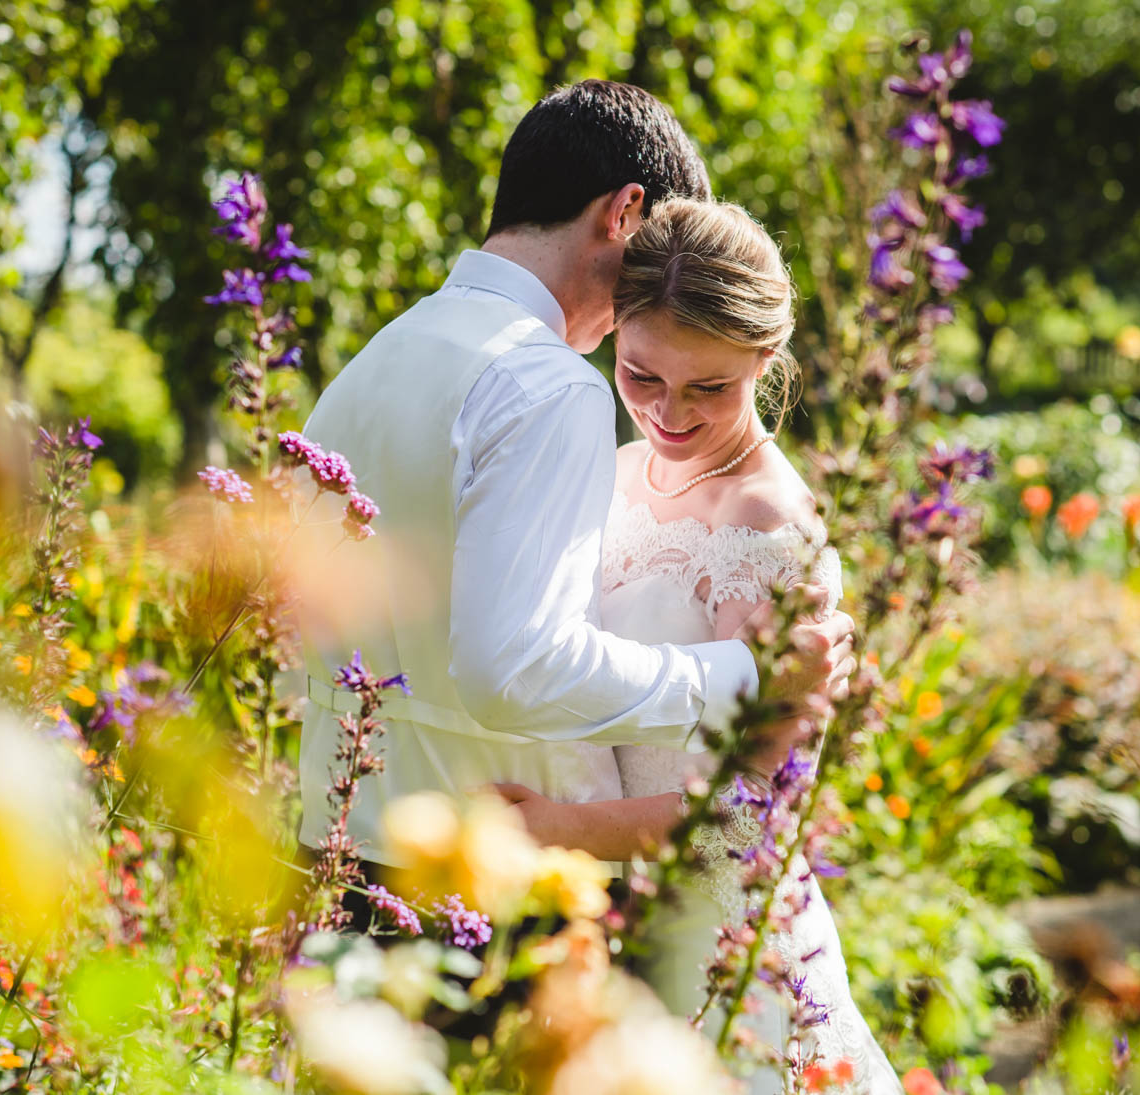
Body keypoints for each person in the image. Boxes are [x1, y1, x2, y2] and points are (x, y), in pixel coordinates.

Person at [294, 80, 855, 873]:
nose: (651, 286)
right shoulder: (546, 383)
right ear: (623, 213)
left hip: (333, 841)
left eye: (706, 385)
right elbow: (512, 665)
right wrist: (746, 676)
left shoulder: (376, 357)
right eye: (654, 247)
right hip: (479, 882)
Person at [492, 198, 902, 1093]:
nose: (668, 415)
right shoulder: (614, 467)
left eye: (709, 387)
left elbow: (747, 808)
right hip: (611, 907)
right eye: (641, 376)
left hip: (716, 931)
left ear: (765, 357)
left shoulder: (765, 524)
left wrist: (561, 830)